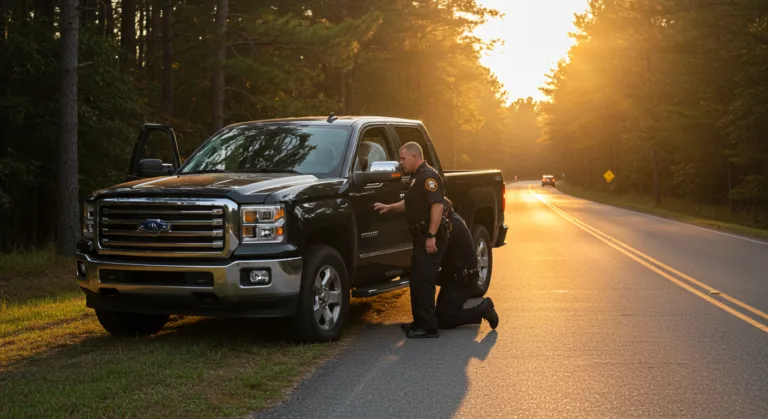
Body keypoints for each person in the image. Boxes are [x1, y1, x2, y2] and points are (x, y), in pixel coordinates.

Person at [373, 141, 447, 339]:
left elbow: (437, 206)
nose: (401, 162)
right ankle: (419, 321)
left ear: (415, 156)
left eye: (403, 158)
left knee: (424, 280)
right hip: (420, 236)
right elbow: (410, 203)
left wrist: (431, 235)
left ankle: (429, 327)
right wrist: (390, 207)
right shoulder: (416, 177)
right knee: (416, 279)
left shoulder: (428, 177)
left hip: (430, 236)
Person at [433, 197, 499, 330]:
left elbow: (436, 252)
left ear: (445, 212)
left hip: (462, 280)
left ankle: (482, 309)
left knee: (444, 320)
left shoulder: (451, 226)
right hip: (453, 276)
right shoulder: (453, 220)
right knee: (439, 316)